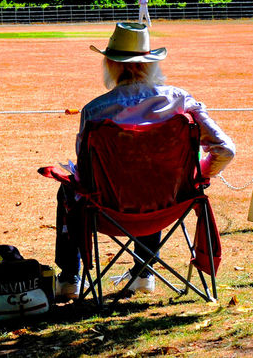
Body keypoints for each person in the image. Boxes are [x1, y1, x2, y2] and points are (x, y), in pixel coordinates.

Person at [54, 22, 235, 301]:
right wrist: (196, 178)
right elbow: (226, 149)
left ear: (110, 64)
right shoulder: (181, 101)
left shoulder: (95, 111)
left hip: (109, 210)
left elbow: (86, 175)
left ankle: (70, 278)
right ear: (151, 64)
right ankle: (144, 271)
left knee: (68, 189)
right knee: (155, 176)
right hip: (170, 204)